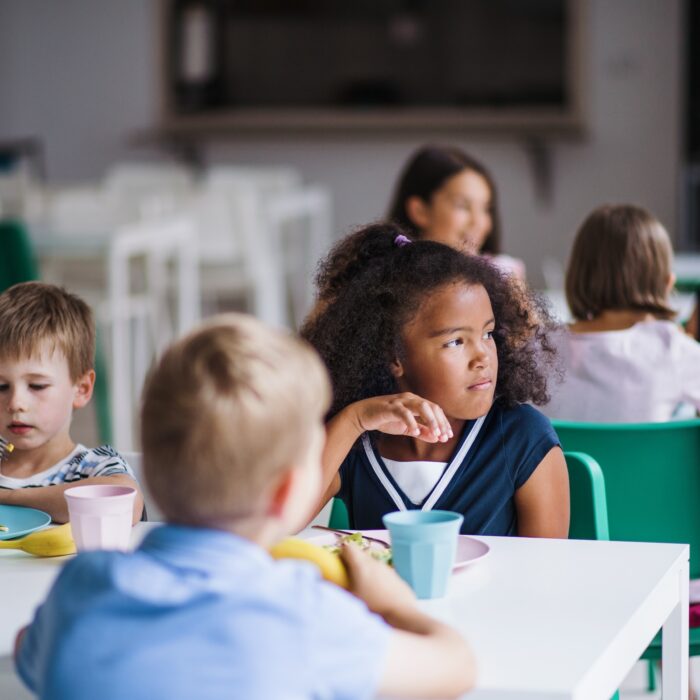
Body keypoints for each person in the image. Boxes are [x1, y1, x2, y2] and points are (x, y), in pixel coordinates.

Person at [15, 313, 475, 700]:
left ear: (149, 473)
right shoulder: (304, 614)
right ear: (288, 491)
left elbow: (26, 651)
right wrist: (396, 606)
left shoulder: (81, 589)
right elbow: (457, 667)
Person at [301, 223, 569, 537]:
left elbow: (546, 571)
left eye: (487, 334)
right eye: (455, 342)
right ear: (394, 357)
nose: (482, 356)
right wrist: (354, 419)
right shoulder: (358, 441)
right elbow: (287, 518)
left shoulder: (523, 437)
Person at [540, 204, 700, 422]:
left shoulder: (539, 348)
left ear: (577, 275)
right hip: (646, 457)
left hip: (563, 457)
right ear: (666, 283)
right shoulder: (673, 348)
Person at [0, 282, 143, 523]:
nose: (16, 403)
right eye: (1, 387)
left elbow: (124, 502)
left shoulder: (92, 466)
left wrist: (9, 497)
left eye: (37, 386)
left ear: (81, 389)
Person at [387, 144, 526, 279]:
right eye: (463, 206)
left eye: (485, 208)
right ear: (419, 211)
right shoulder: (393, 282)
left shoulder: (504, 274)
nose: (478, 222)